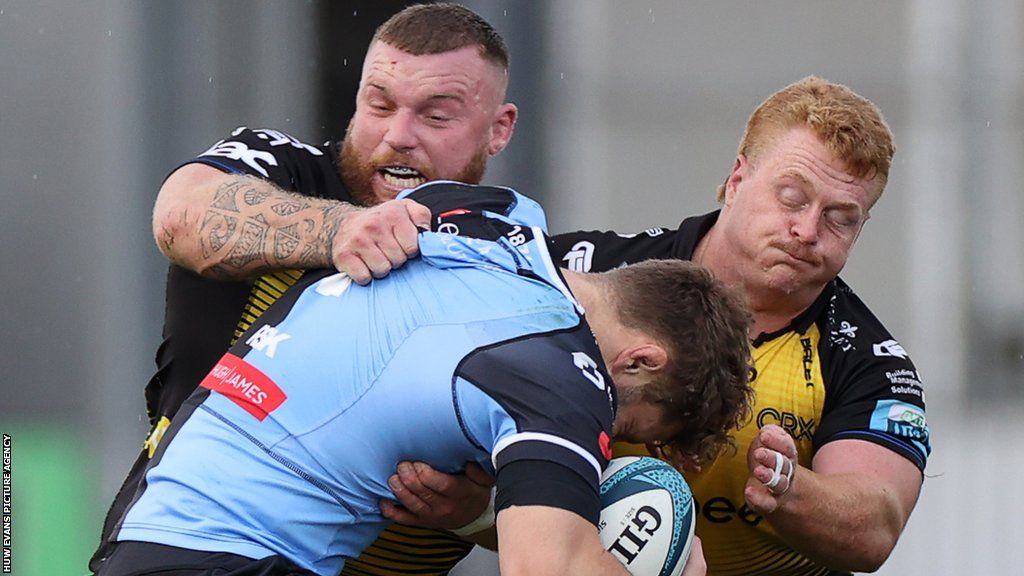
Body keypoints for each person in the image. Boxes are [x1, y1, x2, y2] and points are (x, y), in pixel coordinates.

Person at [389, 77, 932, 575]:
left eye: (841, 219)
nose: (807, 230)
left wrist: (789, 487)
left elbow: (876, 527)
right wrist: (478, 508)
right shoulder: (589, 276)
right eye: (792, 196)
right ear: (737, 179)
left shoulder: (867, 358)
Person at [95, 181, 754, 576]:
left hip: (155, 520)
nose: (606, 433)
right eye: (628, 421)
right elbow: (544, 568)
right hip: (229, 559)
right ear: (640, 361)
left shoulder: (490, 212)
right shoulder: (563, 376)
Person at [90, 3, 518, 574]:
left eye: (436, 116)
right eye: (379, 104)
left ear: (499, 129)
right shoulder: (286, 170)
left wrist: (481, 512)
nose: (398, 136)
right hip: (198, 553)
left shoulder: (516, 266)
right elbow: (180, 217)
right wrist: (339, 229)